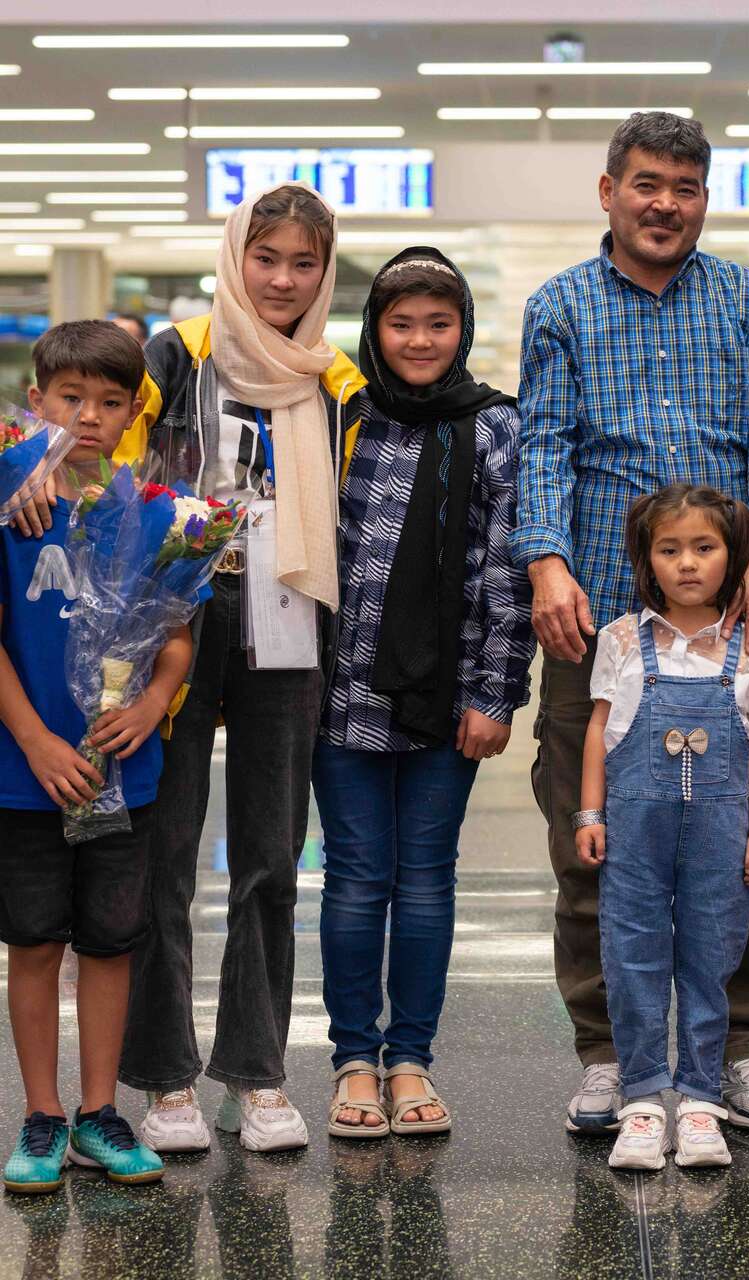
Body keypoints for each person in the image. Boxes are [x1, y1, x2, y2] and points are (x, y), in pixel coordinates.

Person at [511, 111, 749, 1134]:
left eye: (684, 187)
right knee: (591, 841)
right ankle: (609, 1051)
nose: (664, 203)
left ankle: (735, 1050)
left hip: (730, 624)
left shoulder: (740, 298)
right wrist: (546, 561)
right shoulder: (558, 305)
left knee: (736, 842)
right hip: (594, 624)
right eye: (646, 183)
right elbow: (544, 443)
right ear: (607, 190)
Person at [114, 183, 365, 1154]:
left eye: (305, 263)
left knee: (270, 855)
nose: (283, 280)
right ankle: (165, 1074)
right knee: (161, 853)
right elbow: (126, 480)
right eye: (267, 258)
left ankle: (256, 1072)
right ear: (235, 256)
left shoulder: (332, 377)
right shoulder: (177, 352)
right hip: (174, 617)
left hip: (287, 611)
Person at [314, 248, 535, 1139]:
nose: (418, 340)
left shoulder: (493, 428)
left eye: (438, 324)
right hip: (340, 696)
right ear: (374, 327)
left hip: (448, 700)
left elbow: (505, 576)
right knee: (357, 880)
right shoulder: (341, 417)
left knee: (427, 879)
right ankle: (353, 1062)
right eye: (401, 323)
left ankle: (411, 1060)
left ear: (463, 330)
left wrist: (497, 693)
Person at [0, 321, 175, 1192]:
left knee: (110, 942)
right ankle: (40, 1115)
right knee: (33, 941)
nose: (89, 417)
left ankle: (99, 1114)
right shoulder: (9, 492)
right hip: (22, 773)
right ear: (36, 404)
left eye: (111, 402)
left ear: (135, 411)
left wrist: (151, 703)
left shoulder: (152, 511)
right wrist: (32, 740)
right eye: (70, 399)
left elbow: (176, 633)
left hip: (121, 772)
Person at [576, 484, 749, 1170]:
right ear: (646, 558)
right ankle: (640, 1099)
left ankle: (699, 1101)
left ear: (733, 556)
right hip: (635, 830)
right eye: (670, 549)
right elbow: (600, 731)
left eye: (704, 547)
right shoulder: (620, 641)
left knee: (711, 952)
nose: (687, 563)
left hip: (722, 830)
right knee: (632, 950)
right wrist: (590, 813)